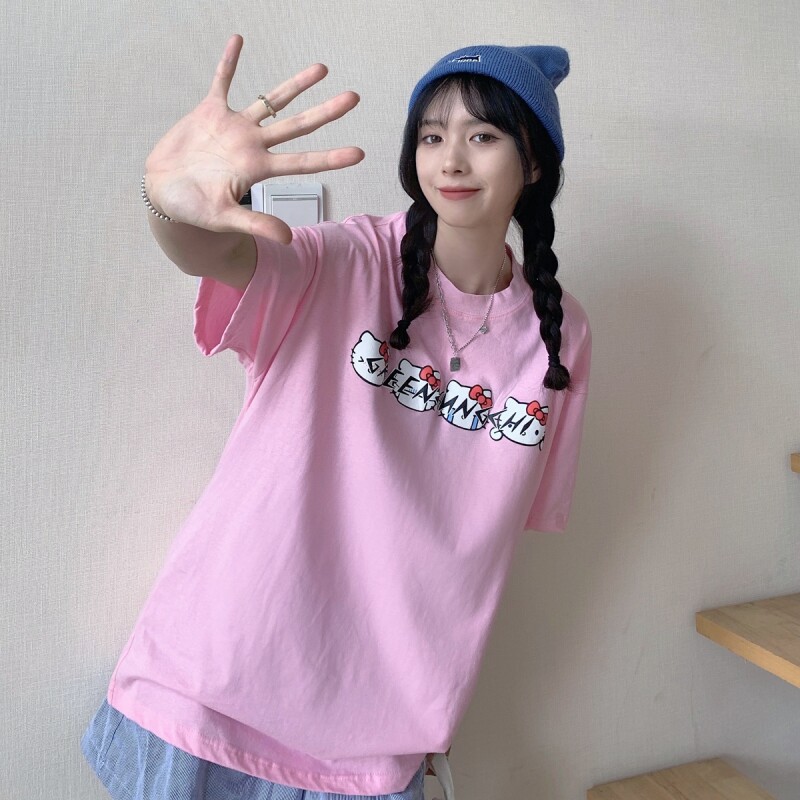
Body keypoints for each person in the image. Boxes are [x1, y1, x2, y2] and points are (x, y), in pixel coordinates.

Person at [81, 33, 591, 800]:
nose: (451, 160)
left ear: (536, 163)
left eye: (483, 136)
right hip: (216, 686)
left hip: (376, 737)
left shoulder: (562, 336)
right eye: (431, 136)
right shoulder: (348, 261)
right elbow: (217, 255)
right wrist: (171, 205)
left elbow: (493, 535)